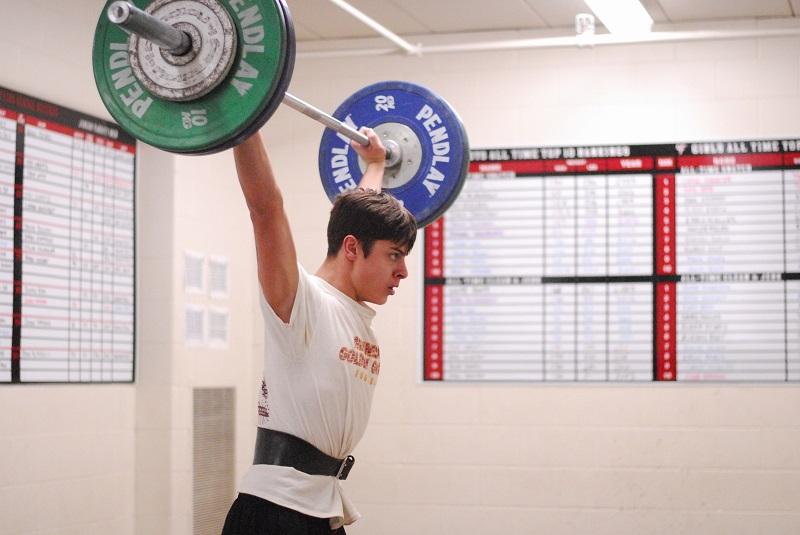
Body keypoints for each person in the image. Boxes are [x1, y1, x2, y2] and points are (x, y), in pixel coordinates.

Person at [221, 126, 417, 535]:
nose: (403, 271)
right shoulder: (302, 304)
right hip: (276, 509)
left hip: (320, 506)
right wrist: (245, 121)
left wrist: (376, 165)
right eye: (394, 255)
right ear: (351, 249)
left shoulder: (350, 309)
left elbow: (359, 222)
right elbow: (265, 208)